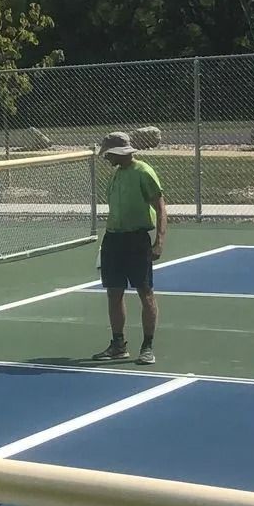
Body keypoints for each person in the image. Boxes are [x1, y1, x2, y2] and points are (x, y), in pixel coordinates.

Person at [94, 131, 167, 364]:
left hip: (136, 241)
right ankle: (118, 344)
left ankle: (148, 346)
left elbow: (161, 207)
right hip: (113, 240)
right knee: (113, 293)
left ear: (118, 152)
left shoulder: (143, 172)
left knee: (145, 293)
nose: (106, 158)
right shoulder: (116, 175)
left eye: (108, 154)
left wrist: (159, 241)